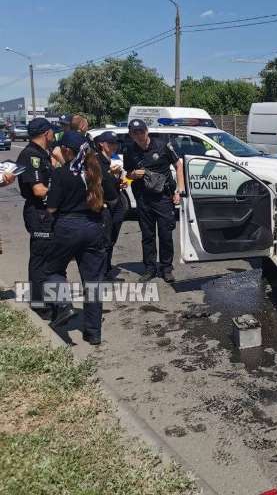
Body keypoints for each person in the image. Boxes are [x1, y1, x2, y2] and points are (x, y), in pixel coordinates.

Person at [44, 131, 115, 343]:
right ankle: (93, 334)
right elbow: (112, 198)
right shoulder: (96, 171)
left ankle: (64, 305)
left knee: (51, 270)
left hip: (67, 227)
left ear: (66, 150)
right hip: (94, 227)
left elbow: (52, 207)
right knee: (93, 282)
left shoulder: (61, 174)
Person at [123, 119, 184, 283]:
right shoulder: (129, 150)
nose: (138, 135)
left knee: (165, 234)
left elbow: (179, 165)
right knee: (147, 235)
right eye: (134, 133)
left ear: (146, 131)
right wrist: (133, 175)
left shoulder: (162, 145)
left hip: (163, 197)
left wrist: (179, 190)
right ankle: (150, 268)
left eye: (141, 132)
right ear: (131, 134)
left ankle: (166, 268)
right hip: (143, 198)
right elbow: (127, 173)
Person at [16, 118, 56, 308]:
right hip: (38, 213)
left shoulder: (42, 154)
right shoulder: (31, 155)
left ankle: (47, 299)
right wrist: (62, 191)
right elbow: (39, 190)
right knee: (40, 258)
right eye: (52, 132)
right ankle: (39, 304)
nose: (54, 135)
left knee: (48, 257)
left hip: (45, 212)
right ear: (46, 133)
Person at [94, 131, 126, 277]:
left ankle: (107, 268)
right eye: (110, 143)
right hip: (104, 204)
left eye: (115, 143)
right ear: (102, 144)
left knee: (112, 238)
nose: (114, 146)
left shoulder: (116, 159)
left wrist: (123, 181)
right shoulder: (95, 160)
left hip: (117, 202)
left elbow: (120, 180)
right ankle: (100, 271)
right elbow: (93, 183)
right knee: (103, 240)